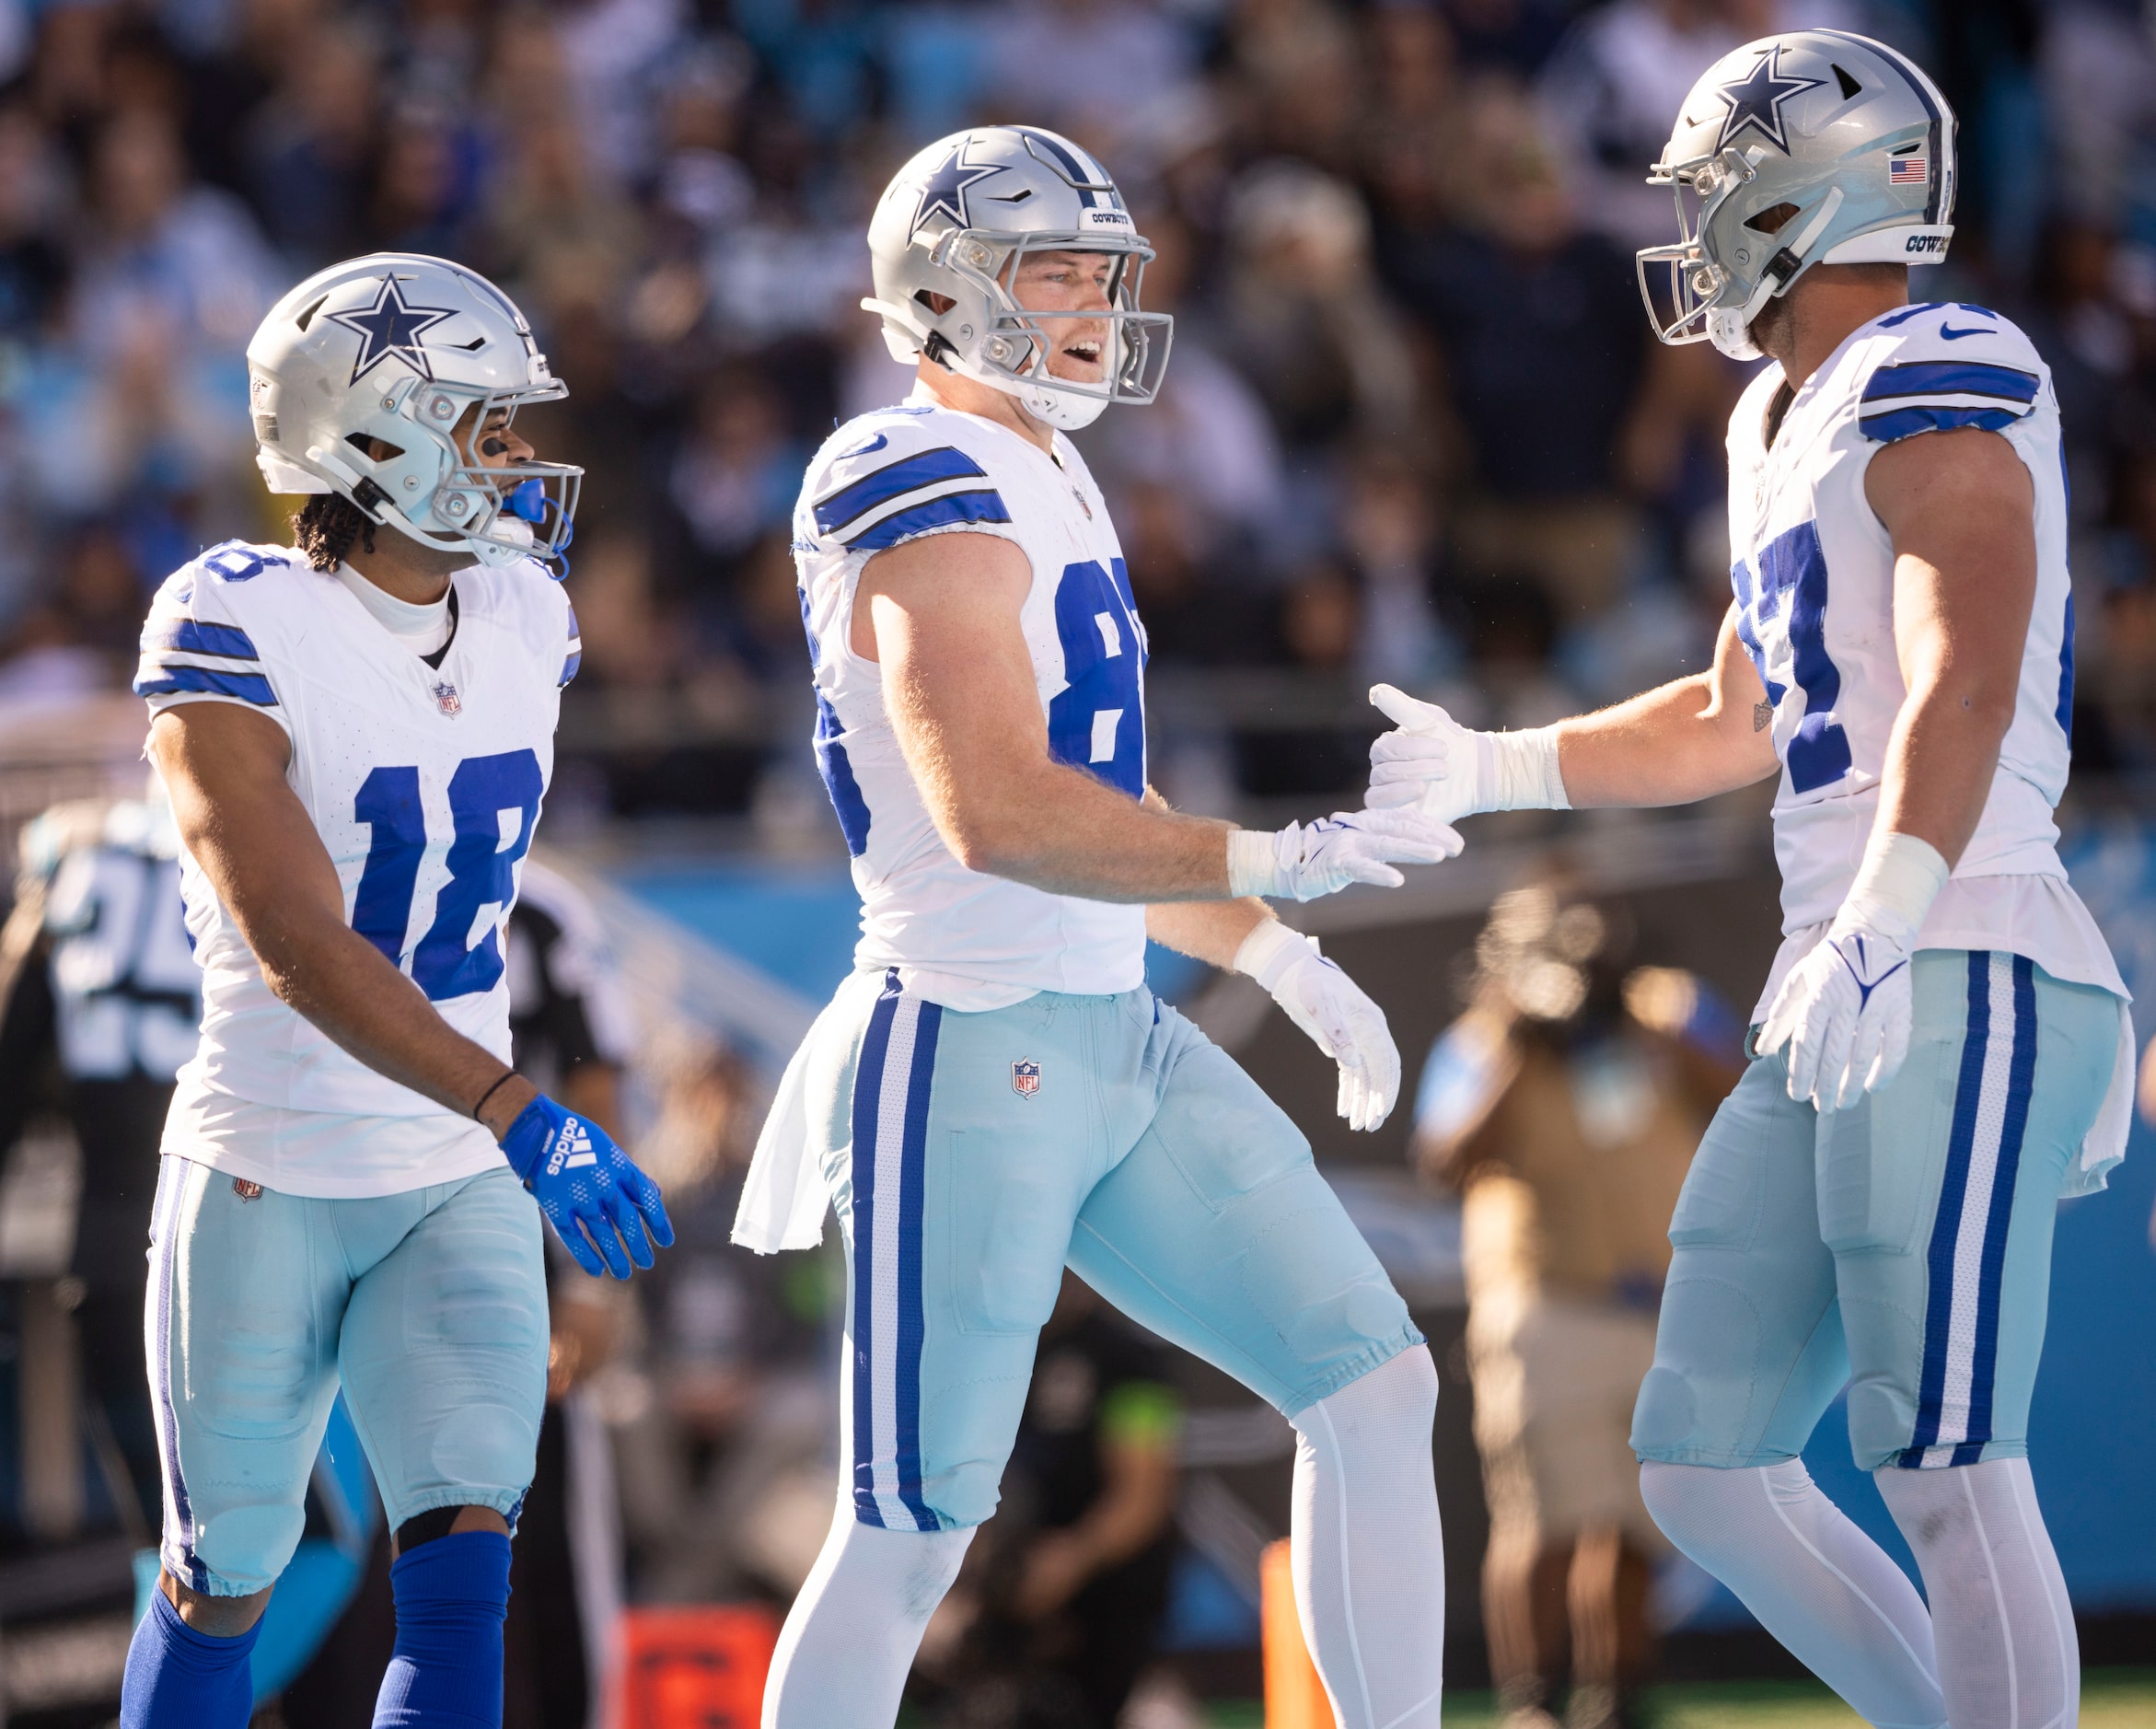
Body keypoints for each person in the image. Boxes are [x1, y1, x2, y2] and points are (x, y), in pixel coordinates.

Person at [1368, 32, 2134, 1729]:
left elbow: (1965, 663)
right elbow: (1734, 710)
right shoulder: (1767, 415)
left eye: (1715, 188)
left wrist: (1883, 904)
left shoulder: (1941, 358)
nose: (1695, 224)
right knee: (1701, 1463)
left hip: (1955, 942)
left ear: (1811, 189)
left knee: (1937, 1452)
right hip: (1837, 973)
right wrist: (1501, 763)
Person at [734, 126, 1457, 1729]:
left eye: (1098, 270)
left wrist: (1265, 942)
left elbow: (1092, 817)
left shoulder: (1049, 463)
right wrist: (1275, 853)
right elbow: (1001, 809)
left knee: (1373, 1381)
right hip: (969, 1045)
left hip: (1111, 1032)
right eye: (1052, 269)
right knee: (908, 1533)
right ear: (945, 288)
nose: (1090, 302)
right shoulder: (900, 465)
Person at [119, 252, 674, 1729]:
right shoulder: (235, 618)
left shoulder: (523, 614)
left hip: (451, 1173)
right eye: (480, 426)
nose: (514, 458)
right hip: (271, 1166)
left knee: (458, 1581)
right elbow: (295, 936)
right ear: (373, 438)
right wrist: (520, 1106)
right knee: (227, 1572)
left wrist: (501, 1122)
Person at [1411, 881, 1741, 1729]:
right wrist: (1522, 1043)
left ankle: (1620, 1699)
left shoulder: (1667, 1007)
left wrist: (1646, 1026)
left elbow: (1743, 1097)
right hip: (1546, 1305)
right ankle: (1532, 1704)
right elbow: (1444, 1161)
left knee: (1636, 1526)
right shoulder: (1480, 1042)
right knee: (1544, 1517)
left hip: (1662, 1305)